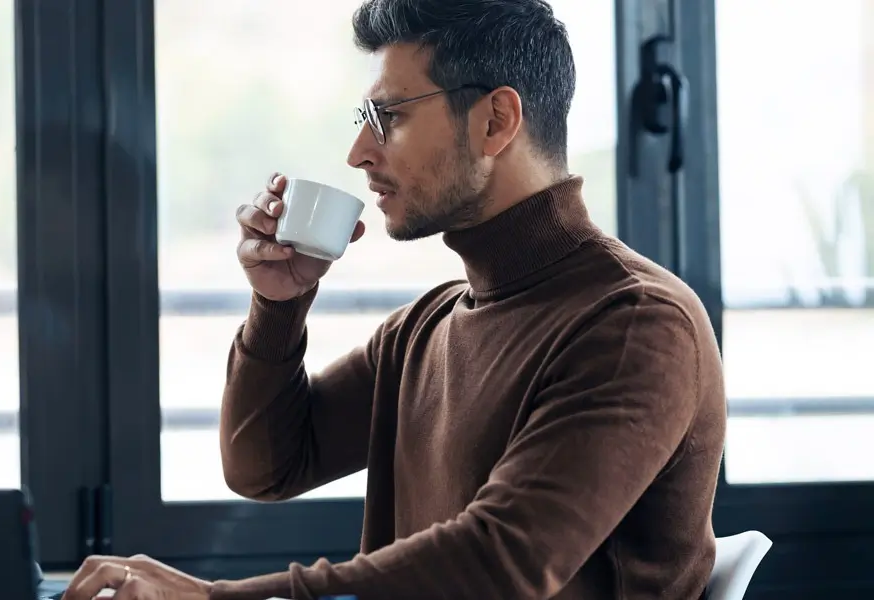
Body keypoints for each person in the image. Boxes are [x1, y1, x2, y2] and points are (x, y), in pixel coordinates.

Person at [62, 0, 726, 598]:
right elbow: (264, 467)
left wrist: (212, 599)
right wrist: (279, 305)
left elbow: (502, 564)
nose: (358, 152)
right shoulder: (427, 327)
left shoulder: (637, 324)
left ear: (496, 121)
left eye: (389, 117)